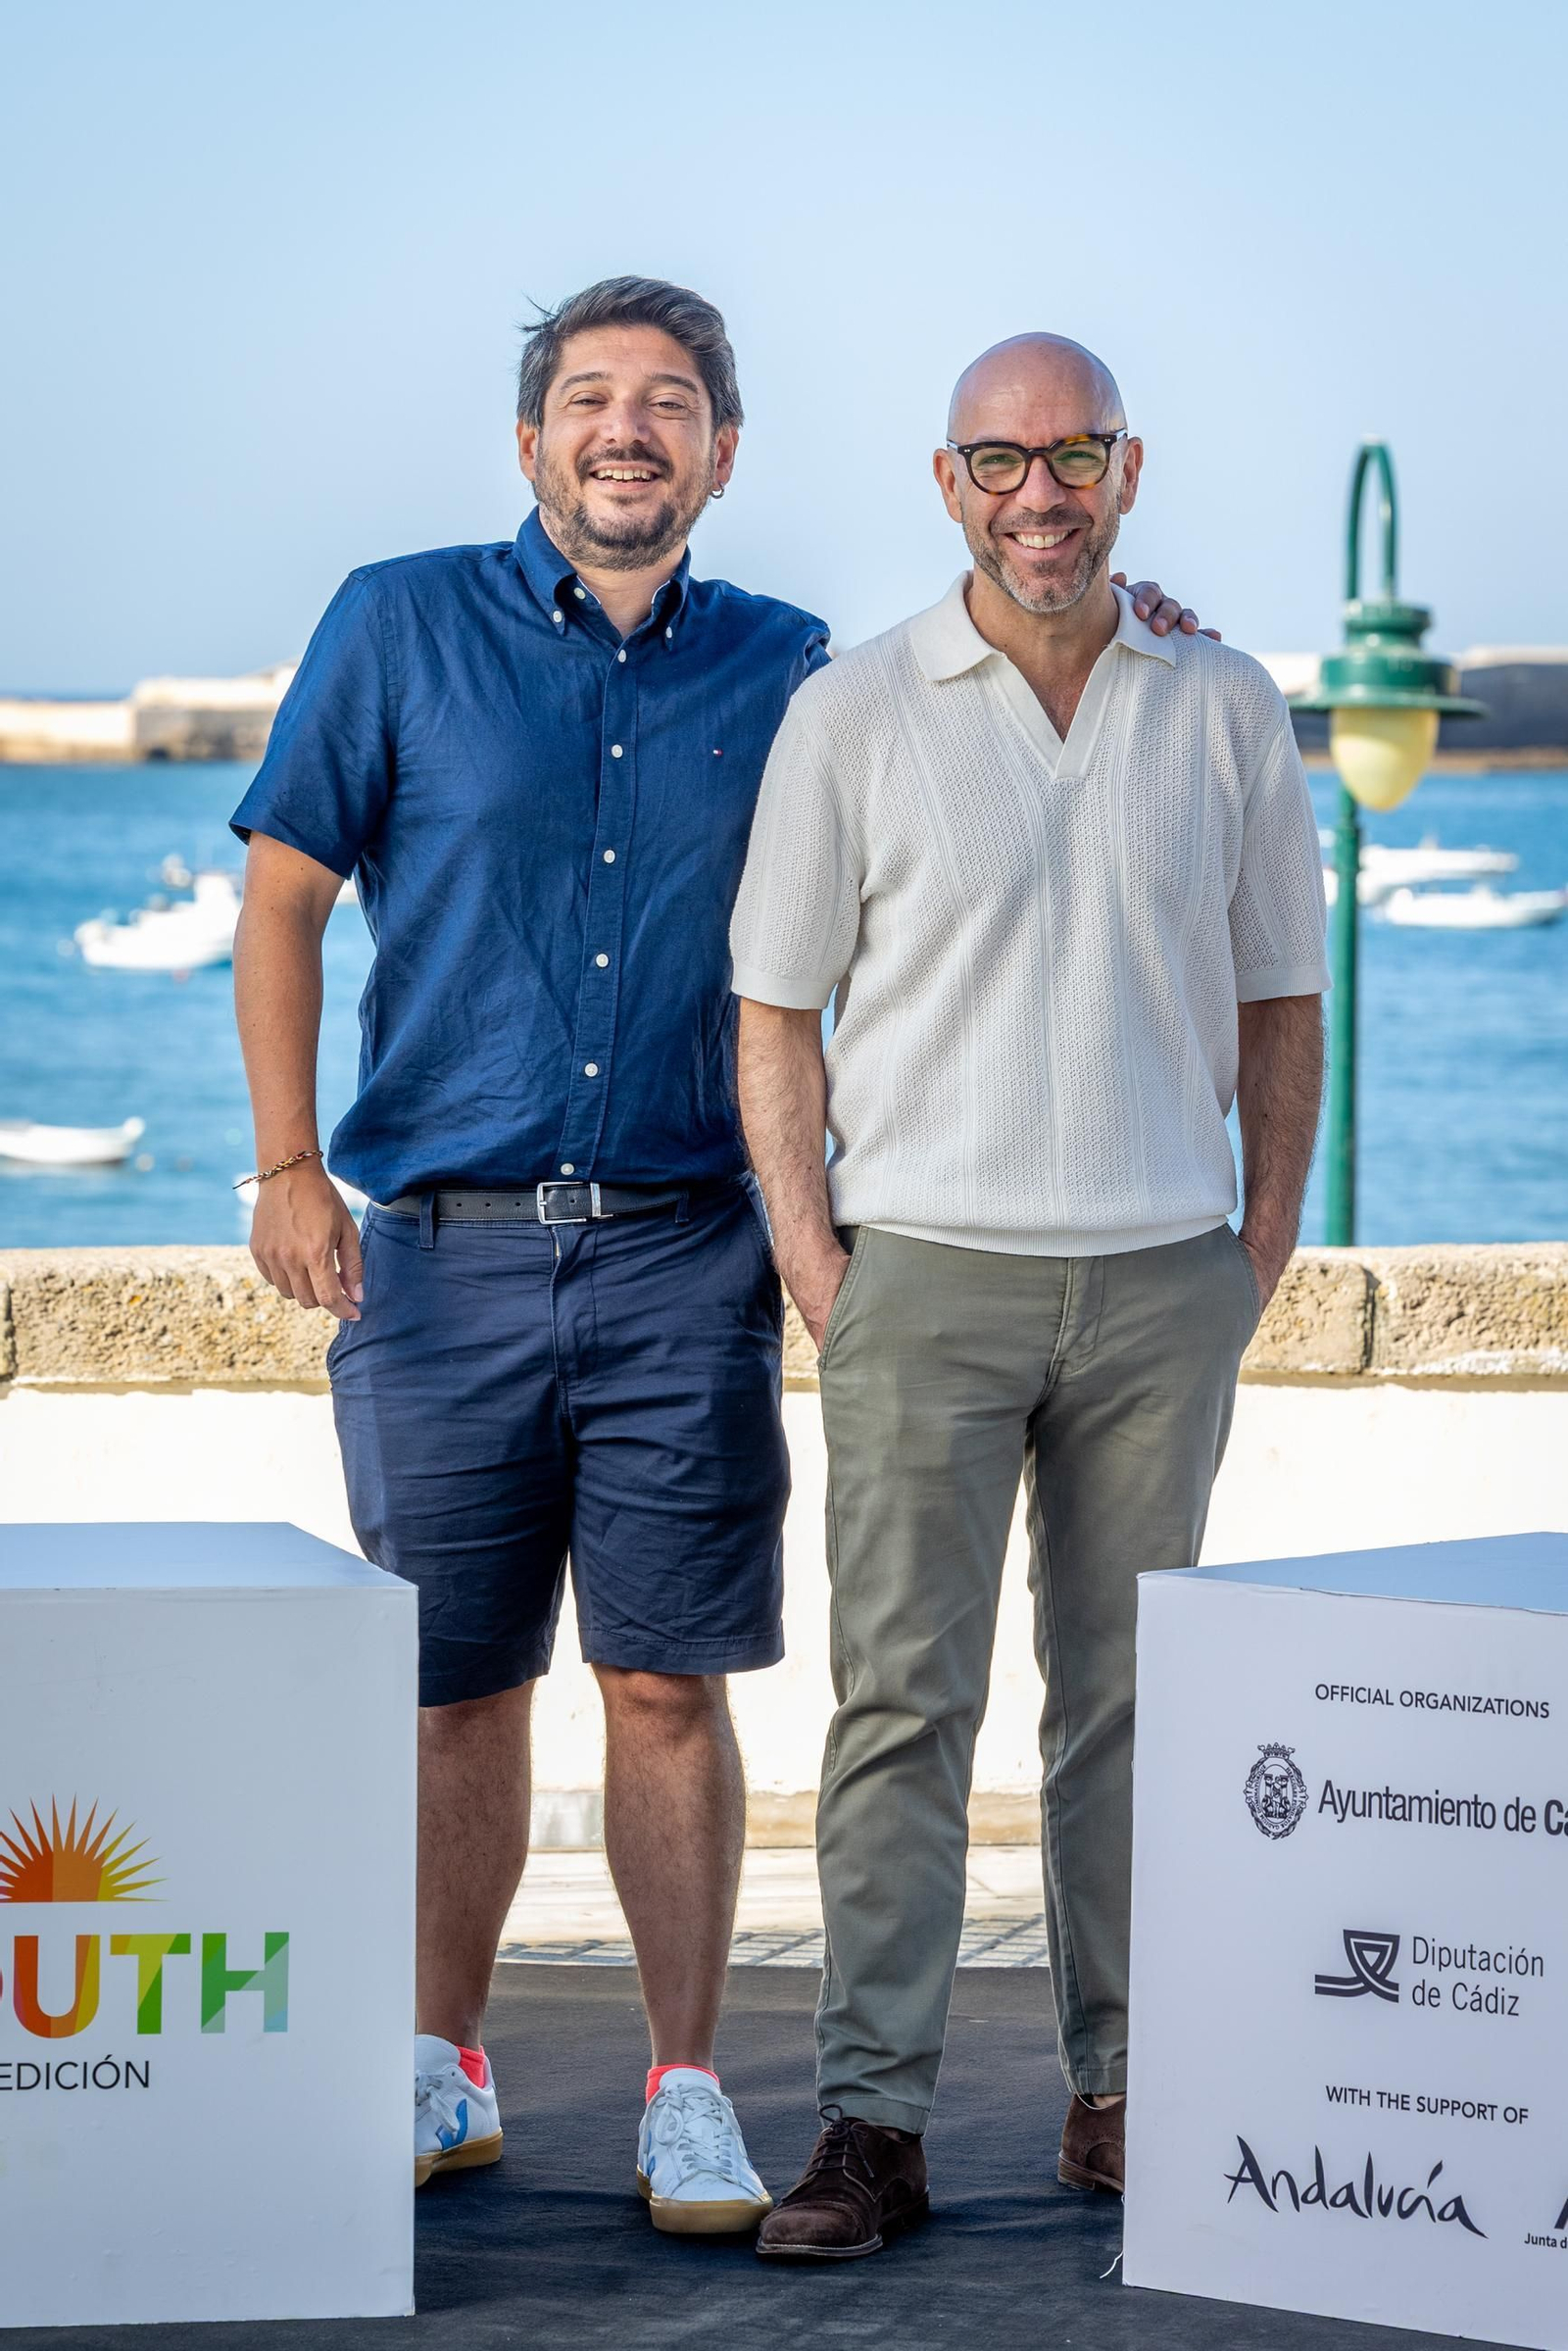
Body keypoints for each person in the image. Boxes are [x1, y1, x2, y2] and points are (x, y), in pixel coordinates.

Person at [231, 280, 1205, 2232]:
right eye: (587, 399)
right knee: (450, 1687)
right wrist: (285, 1166)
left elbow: (977, 705)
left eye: (666, 403)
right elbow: (281, 904)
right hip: (437, 1253)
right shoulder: (392, 625)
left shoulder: (790, 672)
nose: (624, 429)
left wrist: (1132, 627)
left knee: (668, 1685)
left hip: (689, 1257)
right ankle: (445, 2063)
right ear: (529, 443)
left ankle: (689, 2087)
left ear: (721, 452)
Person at [731, 333, 1328, 2261]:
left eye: (1068, 455)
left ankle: (1120, 2099)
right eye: (997, 462)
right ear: (945, 485)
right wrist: (818, 1259)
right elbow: (772, 1008)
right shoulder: (853, 712)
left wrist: (1251, 1247)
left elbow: (1276, 1001)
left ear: (1125, 470)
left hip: (1159, 1282)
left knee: (1130, 1711)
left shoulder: (1222, 706)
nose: (1036, 493)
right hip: (919, 1278)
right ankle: (869, 2127)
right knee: (898, 1710)